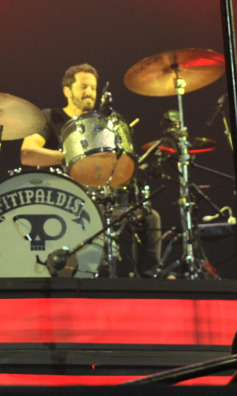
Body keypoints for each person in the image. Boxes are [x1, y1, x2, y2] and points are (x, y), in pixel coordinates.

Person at [20, 63, 163, 278]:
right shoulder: (50, 116)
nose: (90, 93)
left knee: (150, 217)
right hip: (63, 203)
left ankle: (149, 280)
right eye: (84, 87)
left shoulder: (101, 124)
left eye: (93, 88)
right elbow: (27, 154)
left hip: (101, 202)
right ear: (67, 91)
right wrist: (72, 159)